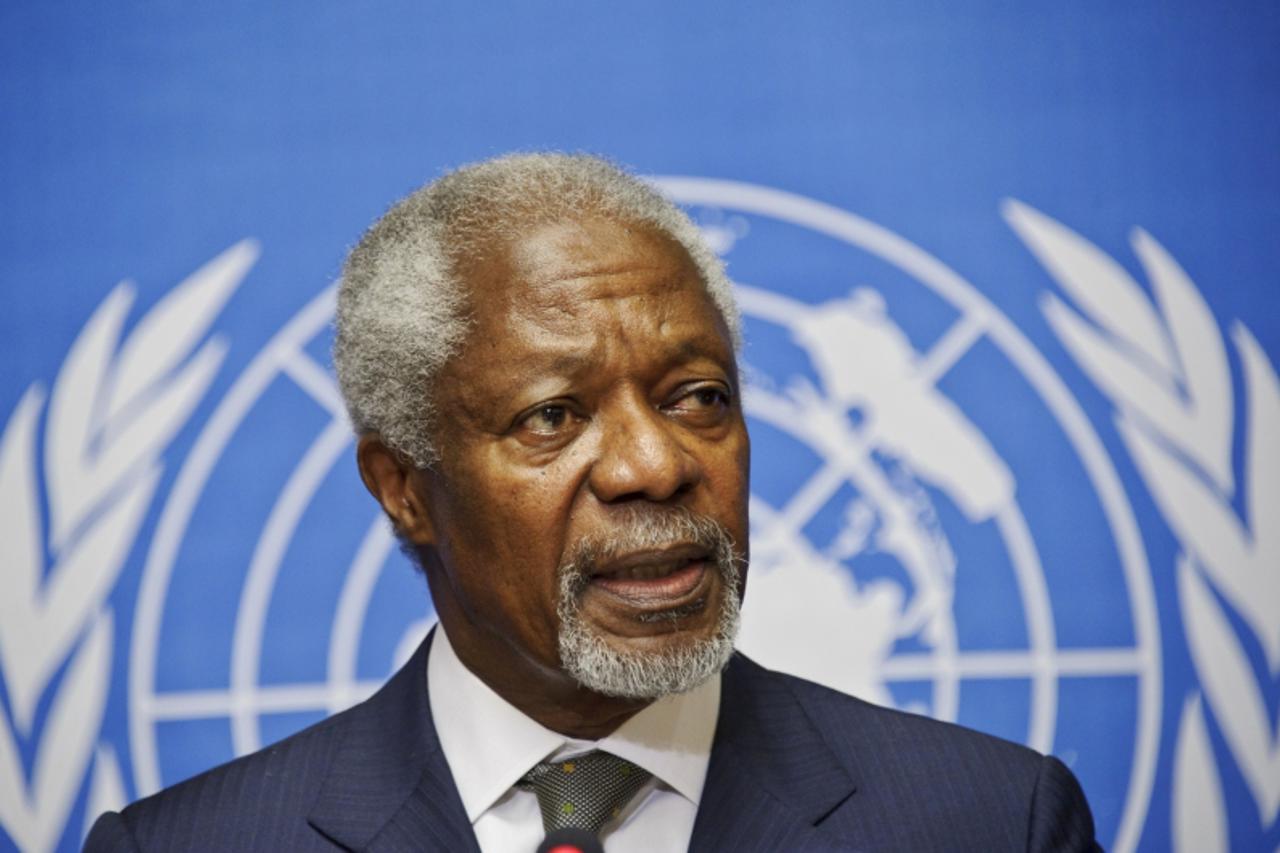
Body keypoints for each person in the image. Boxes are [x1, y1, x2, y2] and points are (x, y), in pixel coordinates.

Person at [86, 153, 1099, 852]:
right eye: (552, 416)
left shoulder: (987, 820)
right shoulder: (193, 843)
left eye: (697, 396)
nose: (654, 465)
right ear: (404, 489)